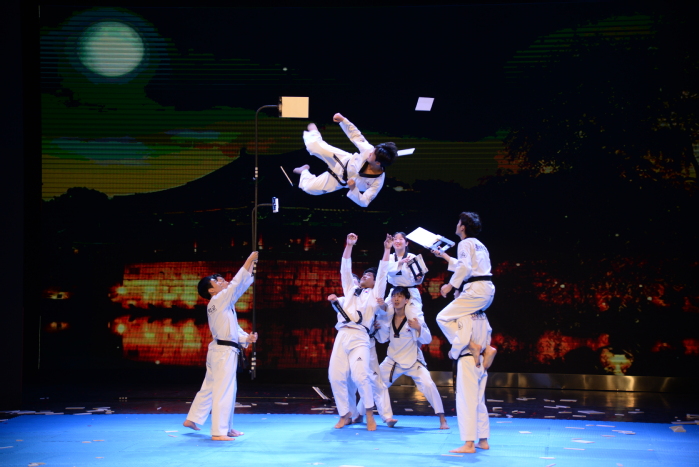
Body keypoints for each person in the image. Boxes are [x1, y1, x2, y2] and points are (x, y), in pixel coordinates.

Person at [433, 212, 496, 453]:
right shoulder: (479, 245)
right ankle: (483, 439)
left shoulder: (465, 242)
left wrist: (451, 285)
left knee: (441, 317)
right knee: (478, 398)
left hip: (470, 355)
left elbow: (465, 268)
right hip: (486, 292)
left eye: (458, 222)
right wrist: (445, 256)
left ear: (462, 226)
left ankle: (469, 442)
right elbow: (467, 266)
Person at [183, 251, 259, 441]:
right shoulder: (218, 300)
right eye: (217, 281)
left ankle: (194, 419)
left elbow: (232, 327)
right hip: (223, 352)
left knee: (210, 387)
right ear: (211, 290)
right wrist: (249, 260)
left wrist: (246, 338)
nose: (223, 281)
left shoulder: (222, 303)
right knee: (225, 390)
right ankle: (219, 431)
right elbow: (236, 285)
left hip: (219, 350)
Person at [327, 233, 392, 431]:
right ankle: (345, 414)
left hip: (360, 337)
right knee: (335, 376)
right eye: (363, 274)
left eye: (368, 276)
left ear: (374, 282)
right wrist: (349, 245)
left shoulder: (375, 294)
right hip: (342, 334)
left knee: (361, 376)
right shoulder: (350, 290)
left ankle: (370, 414)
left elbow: (383, 273)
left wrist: (387, 249)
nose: (364, 276)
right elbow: (345, 269)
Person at [366, 287, 449, 429]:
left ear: (406, 300)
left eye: (400, 296)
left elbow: (427, 339)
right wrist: (375, 329)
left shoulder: (413, 318)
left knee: (429, 385)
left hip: (413, 360)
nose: (396, 299)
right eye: (394, 296)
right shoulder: (388, 318)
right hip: (393, 360)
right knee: (374, 383)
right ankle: (363, 415)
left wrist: (419, 328)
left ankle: (442, 419)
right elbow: (382, 339)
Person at [293, 113, 398, 207]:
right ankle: (314, 132)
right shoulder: (368, 150)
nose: (370, 153)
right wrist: (343, 120)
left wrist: (353, 189)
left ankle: (303, 170)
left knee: (309, 188)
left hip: (339, 180)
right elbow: (356, 135)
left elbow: (365, 202)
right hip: (342, 160)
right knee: (313, 147)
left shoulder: (377, 182)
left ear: (378, 163)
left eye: (372, 154)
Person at [387, 231, 425, 321]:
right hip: (394, 292)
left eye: (400, 239)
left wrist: (418, 279)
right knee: (384, 316)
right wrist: (399, 263)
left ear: (406, 243)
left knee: (415, 317)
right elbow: (387, 271)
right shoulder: (389, 257)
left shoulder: (413, 257)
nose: (397, 241)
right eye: (395, 239)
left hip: (410, 292)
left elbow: (419, 278)